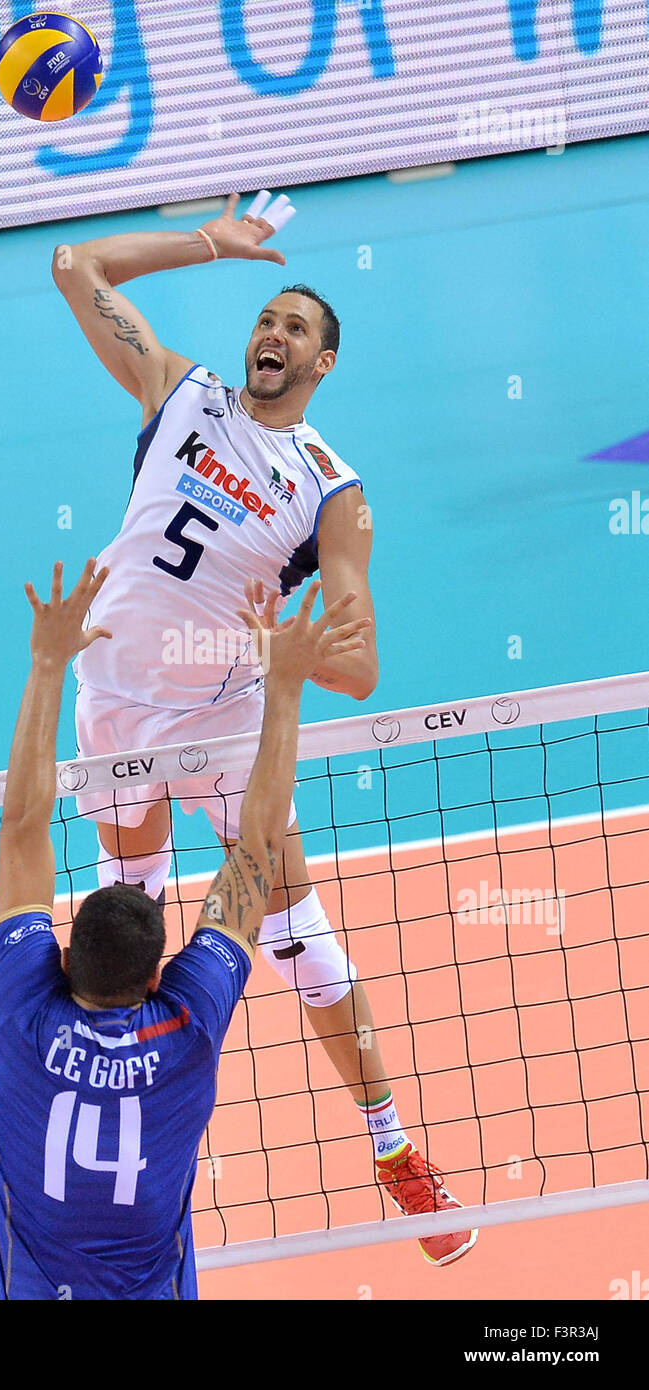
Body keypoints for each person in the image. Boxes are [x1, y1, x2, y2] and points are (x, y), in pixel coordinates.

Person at [50, 190, 476, 1266]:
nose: (272, 332)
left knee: (294, 939)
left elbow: (361, 657)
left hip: (228, 721)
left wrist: (296, 651)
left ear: (324, 362)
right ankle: (128, 1171)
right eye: (266, 316)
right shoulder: (180, 391)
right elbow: (74, 265)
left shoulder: (331, 489)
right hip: (110, 708)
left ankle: (393, 1148)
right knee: (125, 923)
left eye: (296, 326)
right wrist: (210, 242)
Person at [0, 557, 366, 1299]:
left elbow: (22, 824)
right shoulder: (184, 1029)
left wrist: (46, 665)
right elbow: (257, 851)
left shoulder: (24, 1016)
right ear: (158, 976)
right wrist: (281, 687)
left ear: (59, 960)